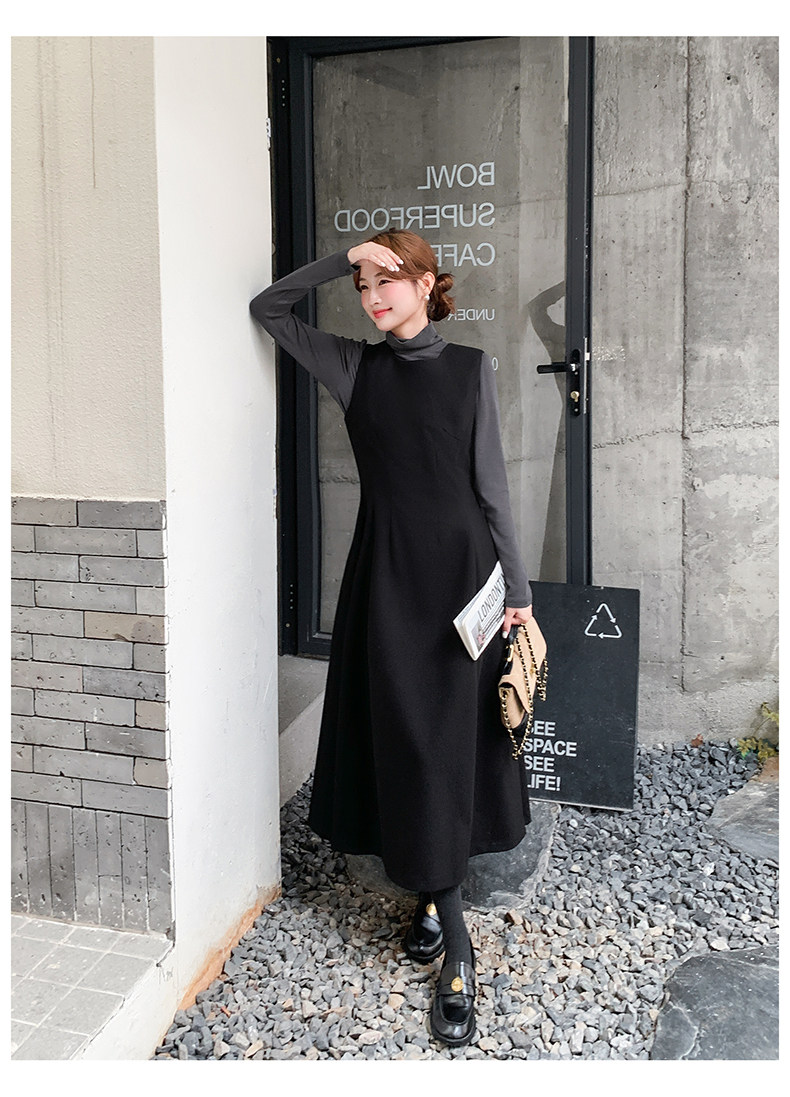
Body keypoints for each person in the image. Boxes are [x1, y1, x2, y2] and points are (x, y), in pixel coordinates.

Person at [250, 229, 533, 1049]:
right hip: (387, 582)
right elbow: (269, 308)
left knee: (449, 743)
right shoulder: (354, 366)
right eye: (364, 286)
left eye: (387, 281)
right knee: (410, 740)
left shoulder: (470, 368)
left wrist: (518, 591)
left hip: (464, 581)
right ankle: (448, 922)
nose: (372, 298)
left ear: (426, 283)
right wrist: (344, 257)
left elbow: (492, 487)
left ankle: (446, 925)